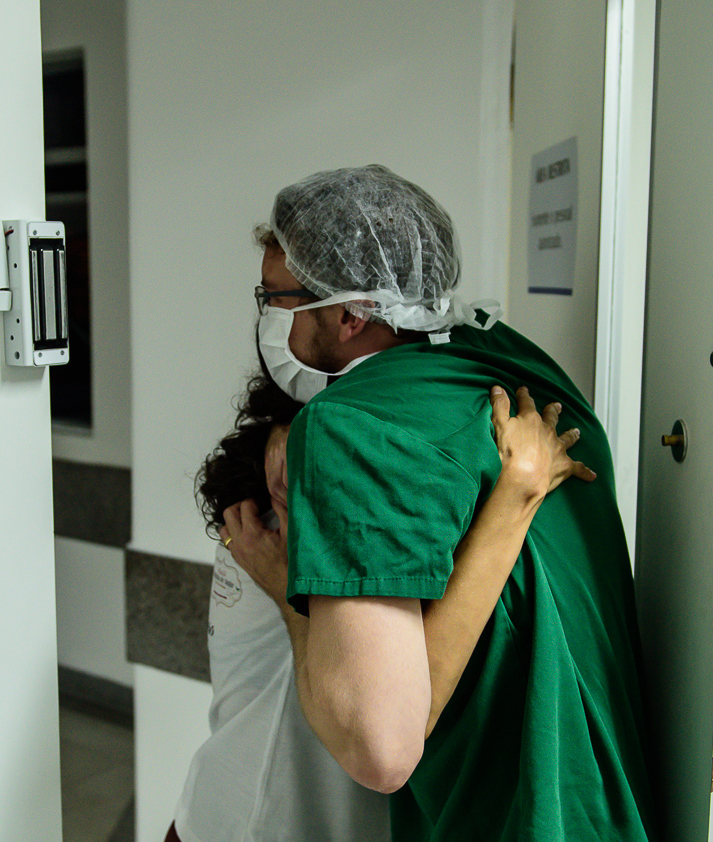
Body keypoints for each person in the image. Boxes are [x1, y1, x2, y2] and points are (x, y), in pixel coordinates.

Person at [222, 165, 655, 841]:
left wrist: (285, 589)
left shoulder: (352, 429)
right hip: (610, 799)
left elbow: (381, 749)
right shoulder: (519, 368)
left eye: (274, 297)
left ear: (346, 313)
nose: (266, 315)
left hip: (510, 819)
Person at [169, 369, 593, 842]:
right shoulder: (270, 523)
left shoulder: (337, 519)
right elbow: (399, 725)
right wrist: (521, 487)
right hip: (229, 820)